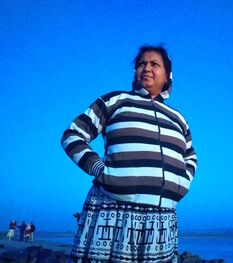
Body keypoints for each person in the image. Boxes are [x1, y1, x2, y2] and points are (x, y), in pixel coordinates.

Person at [61, 45, 197, 262]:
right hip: (114, 212)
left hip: (162, 221)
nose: (147, 68)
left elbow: (190, 157)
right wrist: (101, 170)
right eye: (141, 63)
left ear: (168, 75)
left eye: (155, 64)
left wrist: (182, 182)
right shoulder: (115, 101)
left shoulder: (178, 119)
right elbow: (73, 135)